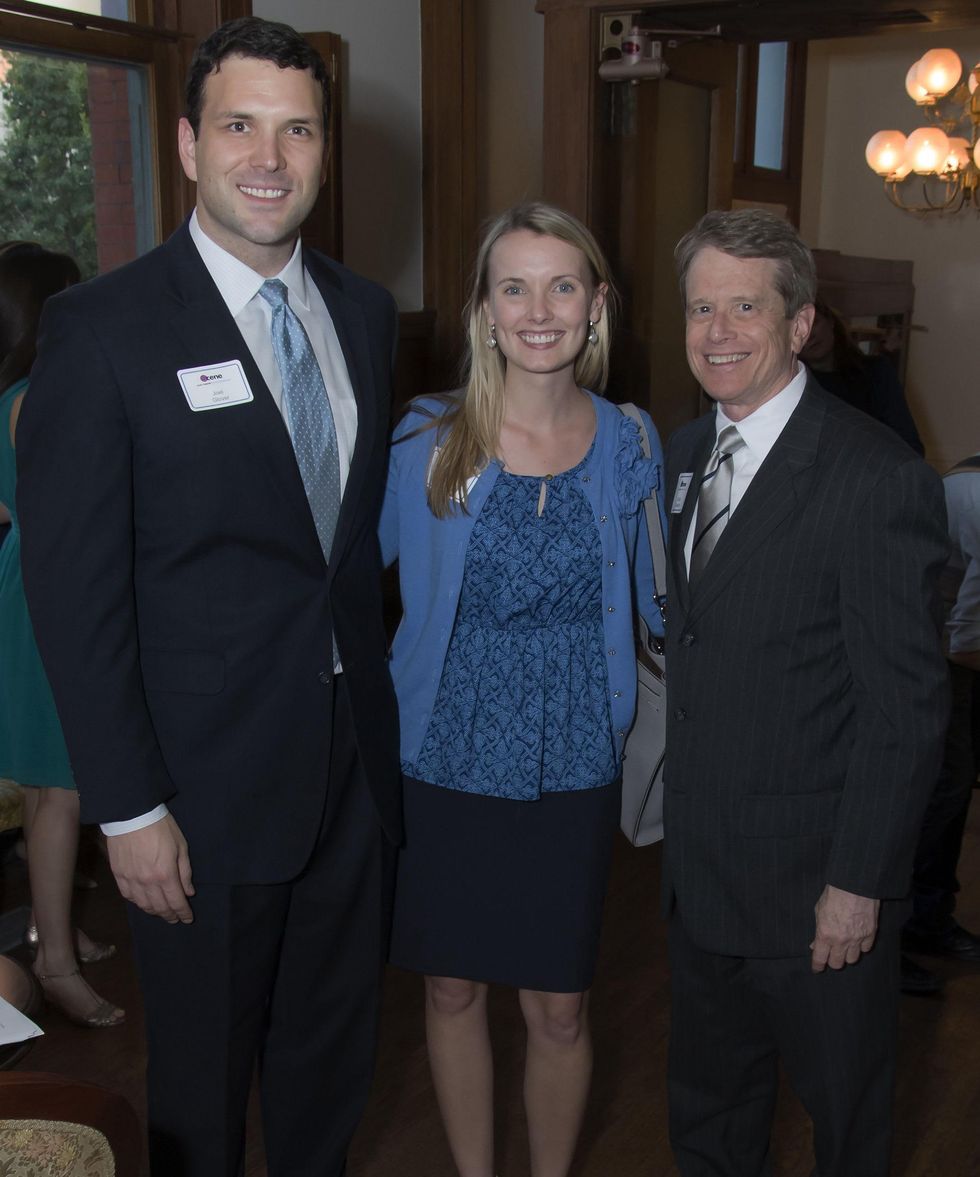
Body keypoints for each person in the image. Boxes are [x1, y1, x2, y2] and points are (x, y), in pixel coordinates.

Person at [16, 17, 400, 1177]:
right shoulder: (101, 329)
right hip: (195, 791)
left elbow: (336, 560)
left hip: (348, 773)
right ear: (186, 144)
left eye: (296, 129)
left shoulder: (366, 316)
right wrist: (127, 808)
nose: (268, 157)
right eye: (239, 125)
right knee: (200, 1083)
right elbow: (72, 595)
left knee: (330, 1065)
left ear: (327, 150)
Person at [380, 202, 666, 1177]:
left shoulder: (629, 442)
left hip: (571, 755)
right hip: (443, 751)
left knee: (559, 1003)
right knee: (452, 990)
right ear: (484, 309)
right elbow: (331, 581)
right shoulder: (425, 436)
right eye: (513, 285)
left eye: (560, 284)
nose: (536, 308)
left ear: (595, 307)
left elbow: (662, 605)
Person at [662, 209, 948, 1177]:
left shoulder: (874, 478)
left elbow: (904, 709)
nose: (717, 331)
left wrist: (857, 884)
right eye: (702, 307)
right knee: (707, 1119)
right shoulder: (678, 454)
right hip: (700, 880)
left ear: (797, 324)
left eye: (745, 306)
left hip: (816, 896)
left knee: (845, 1127)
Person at [0, 241, 123, 1029]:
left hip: (23, 580)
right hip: (56, 587)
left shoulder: (7, 391)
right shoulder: (43, 394)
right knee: (62, 789)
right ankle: (55, 962)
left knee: (56, 786)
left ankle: (56, 925)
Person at [902, 452, 980, 973]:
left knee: (949, 786)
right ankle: (902, 933)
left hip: (945, 632)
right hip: (923, 641)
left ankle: (927, 920)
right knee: (943, 787)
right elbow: (968, 638)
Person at [800, 298, 924, 455]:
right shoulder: (798, 389)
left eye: (814, 323)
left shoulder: (877, 372)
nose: (810, 335)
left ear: (830, 321)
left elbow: (910, 445)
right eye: (799, 329)